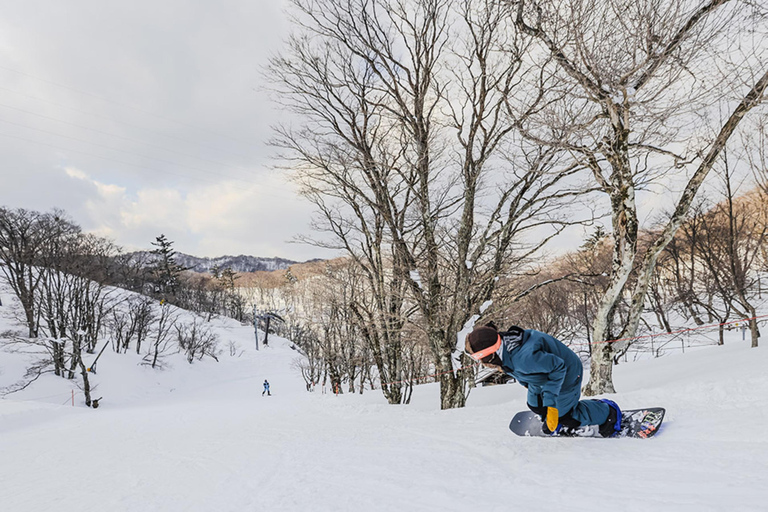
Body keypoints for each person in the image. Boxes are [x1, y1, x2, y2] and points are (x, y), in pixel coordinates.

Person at [465, 323, 621, 437]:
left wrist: (552, 406)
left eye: (477, 358)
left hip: (567, 374)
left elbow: (558, 368)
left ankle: (607, 413)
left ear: (489, 355)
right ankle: (557, 412)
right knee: (535, 405)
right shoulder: (506, 346)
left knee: (566, 416)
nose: (480, 363)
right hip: (543, 376)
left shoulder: (523, 359)